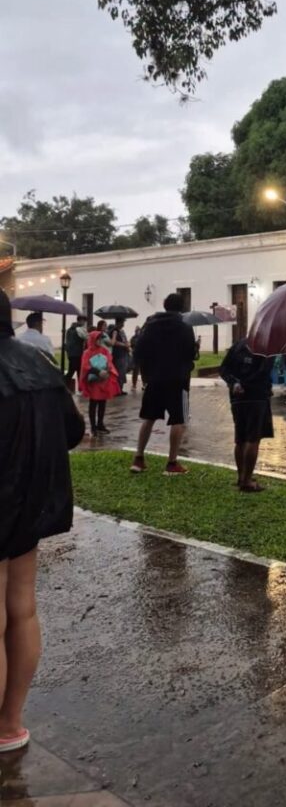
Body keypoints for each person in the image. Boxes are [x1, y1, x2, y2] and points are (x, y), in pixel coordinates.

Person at [0, 288, 84, 754]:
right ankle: (10, 725)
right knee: (23, 609)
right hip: (31, 504)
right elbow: (72, 432)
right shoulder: (40, 366)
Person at [130, 293, 198, 476]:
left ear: (164, 305)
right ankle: (172, 462)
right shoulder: (185, 325)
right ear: (182, 307)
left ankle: (138, 458)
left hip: (155, 378)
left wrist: (147, 372)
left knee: (149, 418)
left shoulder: (150, 324)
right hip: (178, 378)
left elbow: (140, 350)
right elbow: (190, 353)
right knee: (179, 419)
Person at [219, 339, 274, 492]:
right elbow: (264, 372)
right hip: (257, 397)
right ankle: (247, 481)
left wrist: (235, 383)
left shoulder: (238, 346)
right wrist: (247, 385)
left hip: (237, 398)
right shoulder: (267, 347)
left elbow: (223, 368)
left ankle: (241, 476)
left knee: (240, 438)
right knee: (253, 439)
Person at [79, 329, 121, 435]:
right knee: (93, 403)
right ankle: (93, 426)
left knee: (102, 402)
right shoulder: (87, 352)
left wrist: (107, 371)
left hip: (103, 380)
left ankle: (100, 424)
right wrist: (98, 372)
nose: (100, 340)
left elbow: (109, 361)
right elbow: (85, 366)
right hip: (94, 381)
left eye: (100, 338)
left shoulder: (104, 350)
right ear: (93, 339)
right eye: (98, 338)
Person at [107, 316, 130, 394]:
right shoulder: (113, 331)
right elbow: (113, 342)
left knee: (122, 372)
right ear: (118, 323)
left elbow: (124, 341)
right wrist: (124, 345)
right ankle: (117, 390)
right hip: (118, 355)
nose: (123, 324)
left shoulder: (120, 331)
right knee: (119, 372)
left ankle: (120, 389)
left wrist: (127, 345)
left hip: (123, 354)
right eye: (122, 322)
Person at [64, 315, 88, 387]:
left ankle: (79, 387)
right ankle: (64, 384)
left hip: (71, 352)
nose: (84, 323)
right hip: (77, 352)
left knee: (76, 370)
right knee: (74, 370)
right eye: (84, 321)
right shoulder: (79, 329)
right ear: (80, 320)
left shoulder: (70, 329)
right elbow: (86, 337)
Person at [129, 325, 142, 389]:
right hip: (136, 356)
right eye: (136, 330)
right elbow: (131, 345)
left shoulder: (143, 337)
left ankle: (144, 384)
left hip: (142, 356)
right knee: (135, 371)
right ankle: (134, 385)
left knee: (143, 370)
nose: (137, 331)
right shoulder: (133, 338)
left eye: (138, 330)